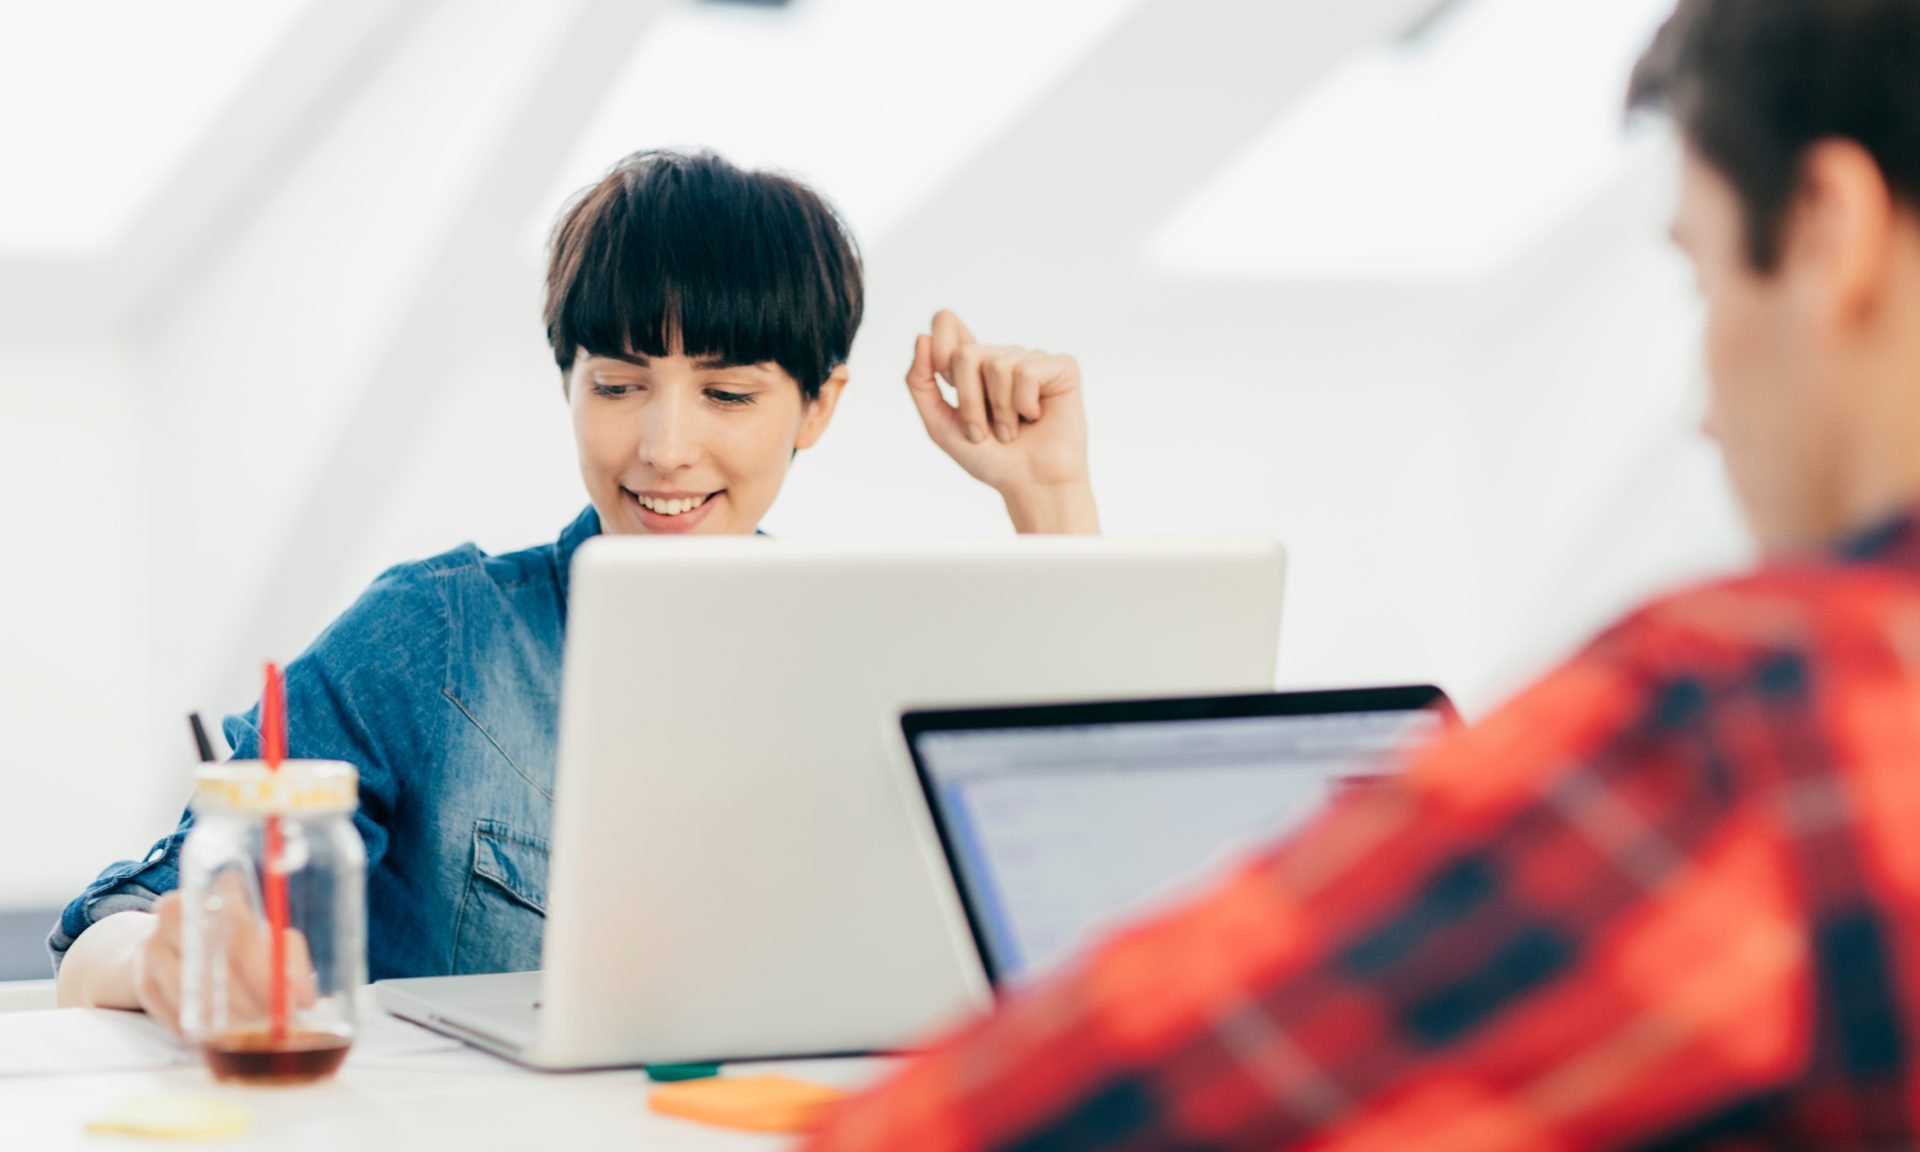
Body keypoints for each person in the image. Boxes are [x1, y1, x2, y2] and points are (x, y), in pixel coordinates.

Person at [804, 1, 1920, 1147]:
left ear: (1830, 233)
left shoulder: (1758, 723)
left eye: (1704, 283)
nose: (1707, 415)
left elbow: (973, 1127)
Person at [51, 149, 1099, 1030]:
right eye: (617, 386)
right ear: (568, 381)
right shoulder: (438, 639)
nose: (663, 447)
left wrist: (1049, 498)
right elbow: (117, 920)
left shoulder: (875, 657)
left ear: (817, 407)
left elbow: (1101, 899)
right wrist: (167, 964)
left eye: (728, 393)